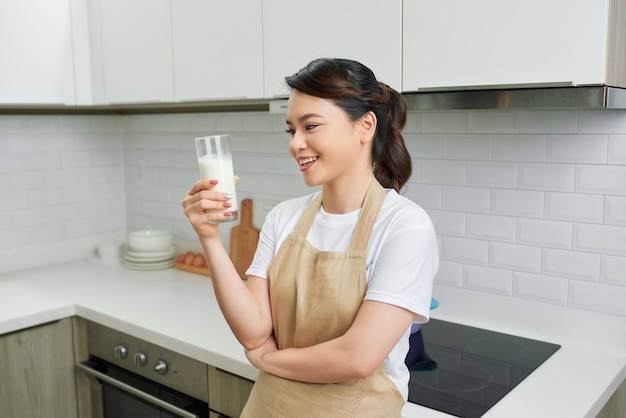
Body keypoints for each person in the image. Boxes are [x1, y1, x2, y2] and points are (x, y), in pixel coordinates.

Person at [182, 58, 438, 417]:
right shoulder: (284, 217)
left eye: (311, 126)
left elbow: (357, 358)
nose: (296, 144)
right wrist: (209, 237)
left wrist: (268, 358)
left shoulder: (404, 226)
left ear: (365, 126)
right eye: (291, 131)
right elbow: (254, 331)